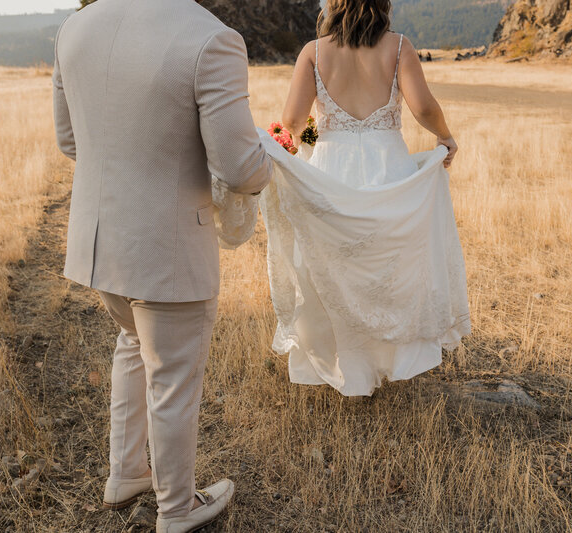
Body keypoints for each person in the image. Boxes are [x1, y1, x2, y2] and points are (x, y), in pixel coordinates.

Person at [51, 0, 272, 531]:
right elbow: (242, 168)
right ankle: (175, 510)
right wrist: (277, 153)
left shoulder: (74, 27)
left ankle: (125, 474)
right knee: (172, 377)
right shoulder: (210, 38)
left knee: (133, 343)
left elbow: (68, 140)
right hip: (166, 248)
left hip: (101, 246)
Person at [257, 0, 471, 396]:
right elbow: (422, 105)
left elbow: (292, 120)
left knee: (333, 263)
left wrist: (314, 141)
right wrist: (445, 136)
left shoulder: (314, 52)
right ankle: (385, 358)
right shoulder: (399, 46)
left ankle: (347, 363)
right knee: (387, 265)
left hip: (332, 167)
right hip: (387, 164)